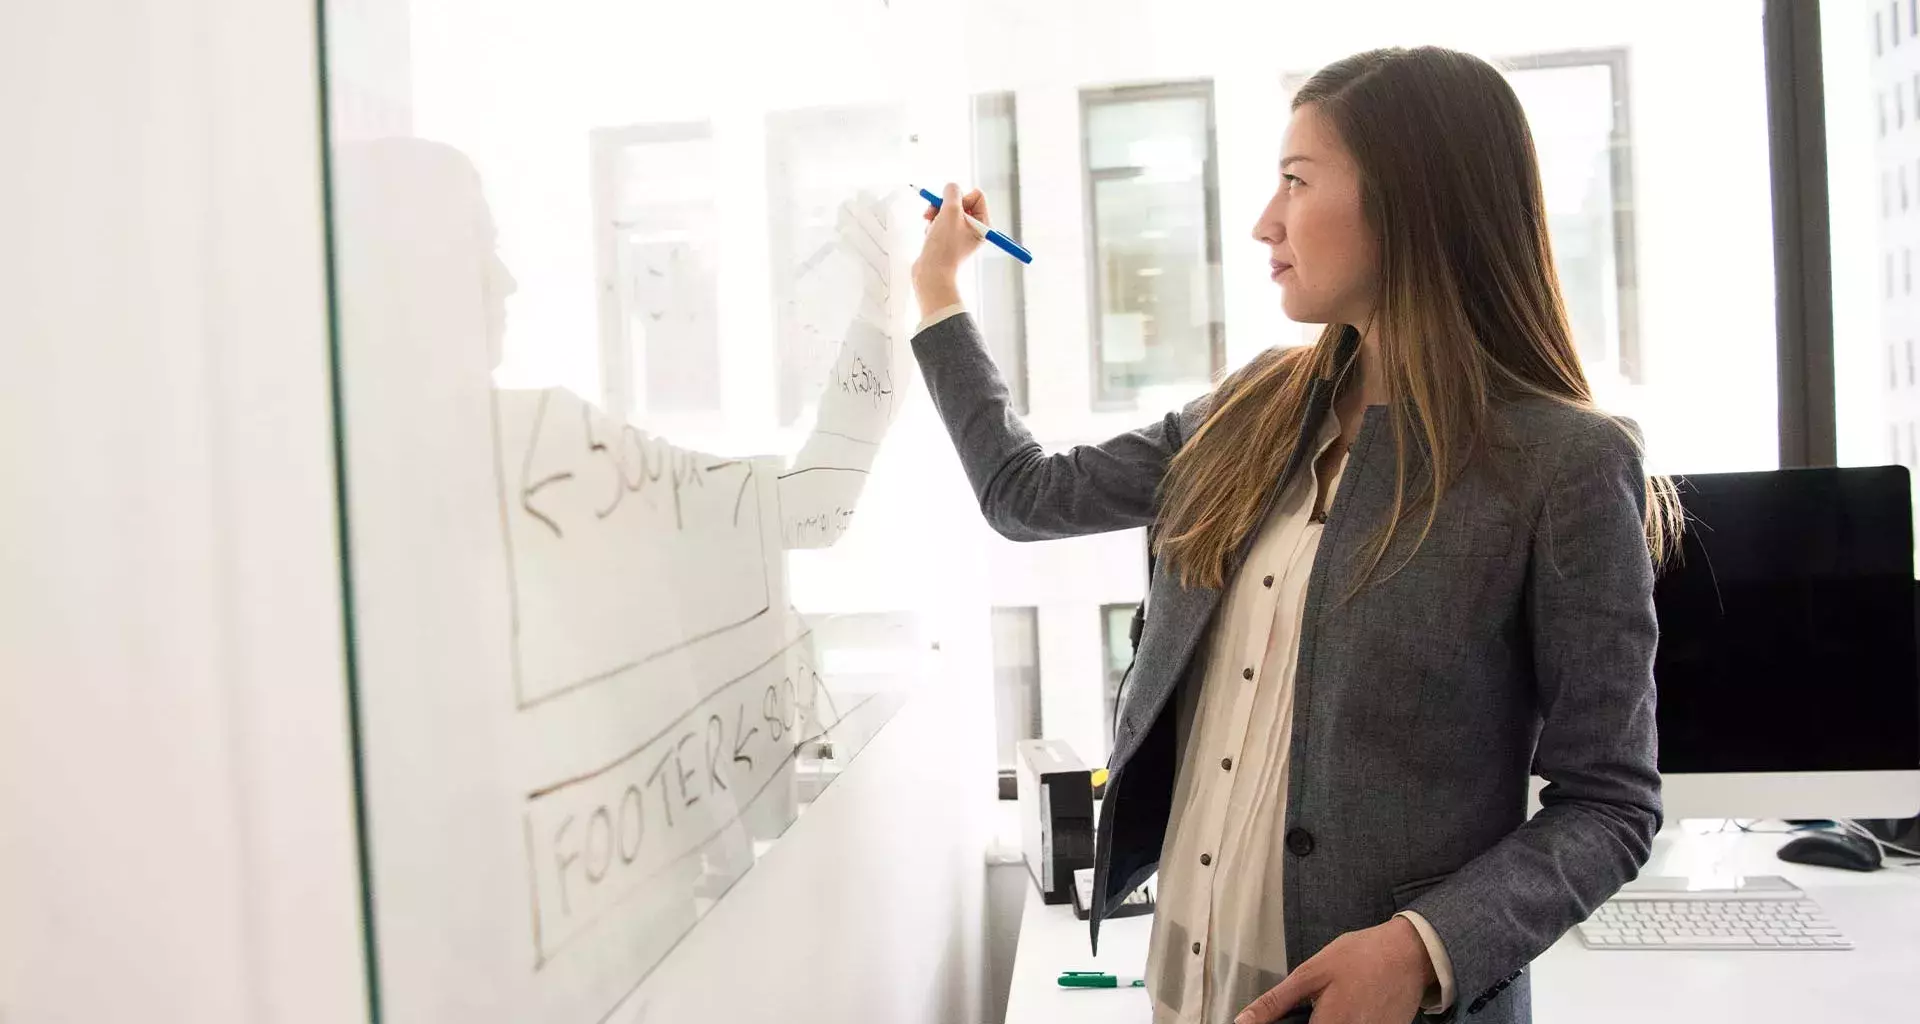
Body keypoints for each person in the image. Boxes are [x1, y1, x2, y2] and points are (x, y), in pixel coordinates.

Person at [909, 46, 1679, 1024]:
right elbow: (1024, 493)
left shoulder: (1562, 463)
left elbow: (1610, 802)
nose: (1265, 221)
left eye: (1296, 180)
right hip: (1188, 986)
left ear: (1414, 202)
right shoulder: (1249, 410)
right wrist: (940, 295)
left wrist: (1421, 948)